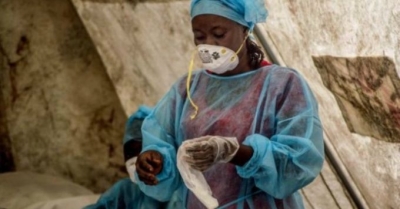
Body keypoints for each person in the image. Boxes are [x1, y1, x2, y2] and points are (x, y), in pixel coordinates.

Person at [135, 0, 325, 208]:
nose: (209, 45)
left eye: (218, 34)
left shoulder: (282, 85)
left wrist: (233, 152)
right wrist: (155, 161)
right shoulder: (188, 88)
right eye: (200, 37)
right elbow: (162, 138)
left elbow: (298, 162)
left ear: (245, 29)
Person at [84, 106, 181, 209]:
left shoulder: (181, 192)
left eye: (141, 150)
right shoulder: (126, 190)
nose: (135, 162)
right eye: (130, 153)